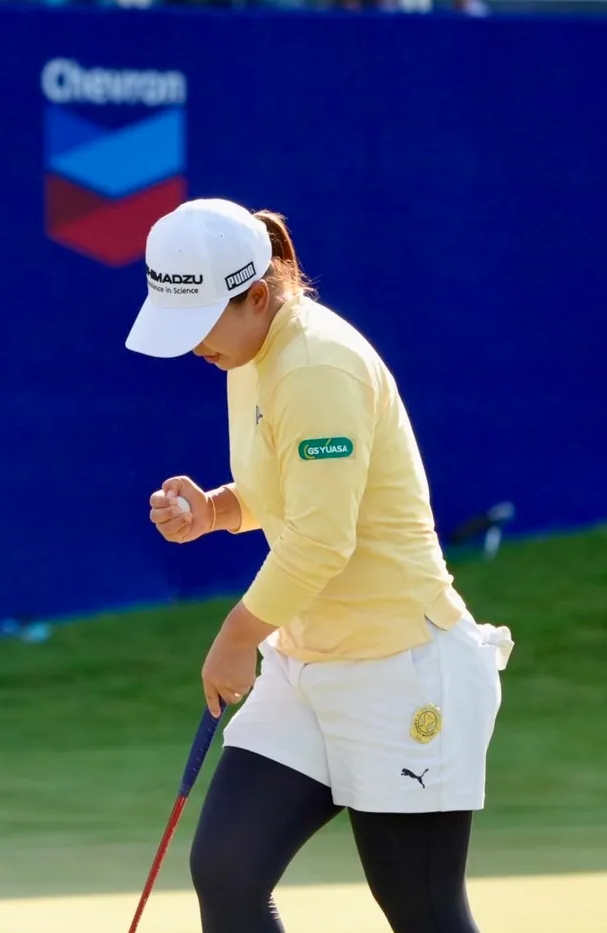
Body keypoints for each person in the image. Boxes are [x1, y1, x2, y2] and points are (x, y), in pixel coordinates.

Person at [126, 198, 514, 933]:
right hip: (308, 665)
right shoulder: (248, 353)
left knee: (422, 908)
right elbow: (290, 492)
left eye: (200, 322)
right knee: (229, 870)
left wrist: (237, 637)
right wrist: (215, 509)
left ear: (257, 295)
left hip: (402, 667)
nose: (193, 345)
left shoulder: (317, 363)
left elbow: (320, 540)